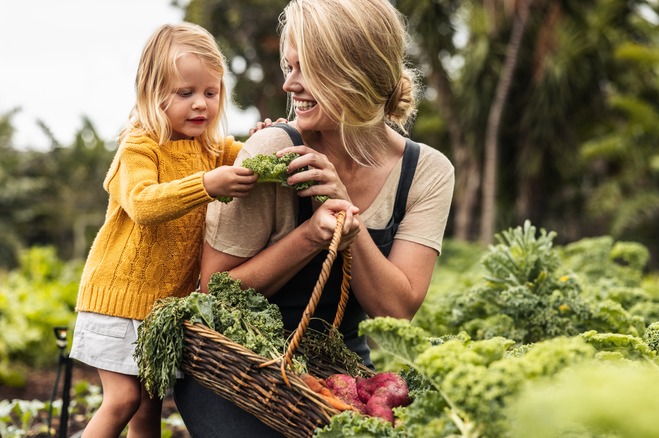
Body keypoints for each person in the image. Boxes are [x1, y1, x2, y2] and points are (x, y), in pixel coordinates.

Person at [174, 0, 455, 435]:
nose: (289, 85)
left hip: (337, 372)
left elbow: (396, 313)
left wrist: (346, 220)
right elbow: (214, 292)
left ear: (353, 69)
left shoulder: (426, 172)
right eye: (288, 67)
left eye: (304, 69)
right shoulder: (272, 150)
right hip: (239, 369)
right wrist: (309, 235)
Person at [69, 22, 257, 438]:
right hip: (116, 300)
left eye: (210, 93)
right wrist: (207, 185)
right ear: (153, 94)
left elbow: (255, 159)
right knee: (123, 400)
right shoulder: (140, 145)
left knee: (148, 410)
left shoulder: (215, 149)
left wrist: (268, 139)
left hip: (159, 312)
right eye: (185, 93)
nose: (200, 105)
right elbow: (143, 203)